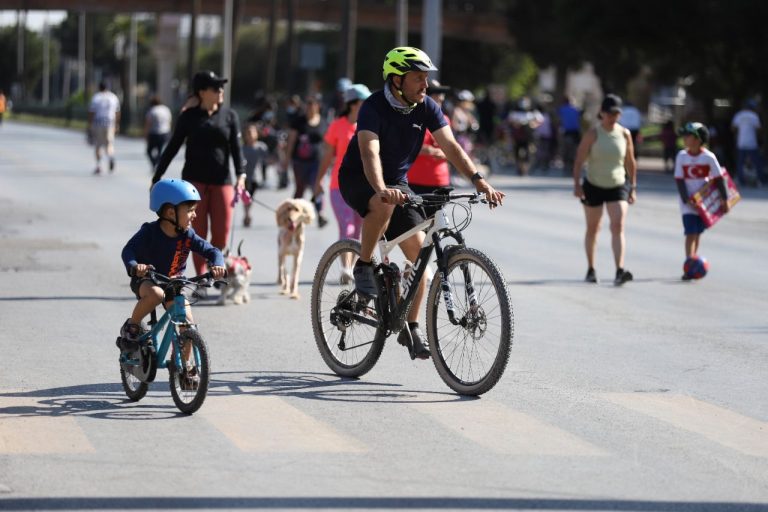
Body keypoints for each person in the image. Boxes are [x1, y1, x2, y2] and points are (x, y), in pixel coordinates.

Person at [338, 46, 505, 360]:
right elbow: (369, 153)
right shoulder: (373, 106)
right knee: (383, 204)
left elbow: (451, 146)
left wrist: (478, 180)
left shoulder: (426, 106)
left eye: (426, 78)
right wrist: (381, 188)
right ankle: (363, 265)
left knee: (421, 269)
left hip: (397, 185)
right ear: (397, 79)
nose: (425, 85)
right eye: (418, 78)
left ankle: (410, 327)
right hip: (360, 177)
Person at [152, 70, 246, 276]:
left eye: (221, 87)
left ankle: (216, 270)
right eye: (215, 88)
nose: (220, 91)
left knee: (221, 234)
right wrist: (157, 177)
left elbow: (237, 148)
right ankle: (201, 275)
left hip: (223, 181)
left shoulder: (230, 116)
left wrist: (241, 175)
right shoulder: (188, 117)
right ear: (202, 92)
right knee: (197, 234)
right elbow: (172, 148)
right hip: (194, 185)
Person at [119, 179, 226, 353]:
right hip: (147, 279)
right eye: (190, 210)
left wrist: (218, 264)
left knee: (188, 327)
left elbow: (212, 251)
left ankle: (186, 373)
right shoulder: (149, 232)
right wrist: (135, 266)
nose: (195, 215)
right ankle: (132, 326)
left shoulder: (188, 235)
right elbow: (128, 250)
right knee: (156, 294)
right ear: (170, 212)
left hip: (174, 284)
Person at [572, 93, 637, 286]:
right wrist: (577, 184)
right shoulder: (593, 134)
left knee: (618, 225)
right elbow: (579, 160)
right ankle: (591, 269)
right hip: (593, 185)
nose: (613, 117)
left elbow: (630, 161)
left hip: (617, 184)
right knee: (594, 228)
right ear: (602, 113)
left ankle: (619, 270)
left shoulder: (625, 134)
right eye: (610, 113)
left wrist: (633, 186)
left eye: (617, 113)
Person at [313, 83, 371, 281]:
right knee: (346, 226)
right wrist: (319, 180)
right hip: (339, 185)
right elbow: (327, 155)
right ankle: (345, 268)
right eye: (364, 101)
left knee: (359, 228)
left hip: (364, 185)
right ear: (353, 104)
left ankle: (354, 266)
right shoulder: (337, 125)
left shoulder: (369, 125)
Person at [674, 122, 728, 279]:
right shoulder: (682, 156)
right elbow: (679, 180)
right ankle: (688, 264)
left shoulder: (708, 157)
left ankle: (693, 259)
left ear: (698, 139)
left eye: (687, 136)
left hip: (704, 203)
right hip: (688, 204)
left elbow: (719, 179)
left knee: (697, 233)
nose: (684, 138)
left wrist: (725, 200)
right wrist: (686, 199)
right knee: (690, 232)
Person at [408, 79, 452, 205]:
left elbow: (451, 146)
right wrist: (432, 151)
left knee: (438, 221)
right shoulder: (412, 117)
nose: (441, 98)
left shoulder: (445, 119)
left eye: (442, 94)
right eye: (437, 94)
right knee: (416, 222)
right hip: (416, 180)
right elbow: (409, 145)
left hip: (441, 181)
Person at [285, 94, 328, 226]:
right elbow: (291, 141)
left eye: (313, 105)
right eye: (308, 105)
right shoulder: (299, 121)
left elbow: (327, 143)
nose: (310, 108)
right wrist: (286, 159)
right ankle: (292, 215)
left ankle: (319, 213)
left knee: (317, 187)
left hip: (317, 161)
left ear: (318, 107)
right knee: (300, 189)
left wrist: (329, 160)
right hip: (299, 162)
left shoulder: (323, 122)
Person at [88, 81, 121, 175]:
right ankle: (110, 157)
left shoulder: (96, 97)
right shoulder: (113, 97)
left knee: (98, 146)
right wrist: (117, 124)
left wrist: (90, 125)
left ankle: (98, 166)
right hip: (110, 123)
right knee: (109, 143)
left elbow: (91, 112)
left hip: (98, 123)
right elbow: (117, 112)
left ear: (99, 87)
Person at [731, 99, 766, 186]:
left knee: (740, 162)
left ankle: (741, 180)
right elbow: (759, 129)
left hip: (741, 142)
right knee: (756, 162)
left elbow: (733, 128)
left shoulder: (739, 115)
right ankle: (761, 180)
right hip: (752, 143)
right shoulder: (754, 116)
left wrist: (739, 132)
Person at [242, 122, 269, 227]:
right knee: (246, 196)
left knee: (250, 197)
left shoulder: (261, 147)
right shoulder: (242, 149)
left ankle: (247, 213)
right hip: (244, 177)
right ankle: (247, 214)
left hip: (256, 177)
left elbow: (267, 159)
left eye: (252, 132)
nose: (250, 135)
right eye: (247, 133)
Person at [144, 96, 172, 172]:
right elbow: (169, 121)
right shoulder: (166, 109)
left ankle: (154, 163)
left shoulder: (152, 110)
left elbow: (148, 123)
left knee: (149, 151)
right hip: (165, 132)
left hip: (154, 133)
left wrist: (146, 134)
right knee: (160, 150)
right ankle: (157, 164)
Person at [557, 95, 582, 176]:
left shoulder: (561, 109)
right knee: (575, 151)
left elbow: (558, 119)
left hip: (567, 132)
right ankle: (573, 167)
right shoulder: (576, 109)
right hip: (575, 132)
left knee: (565, 150)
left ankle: (566, 167)